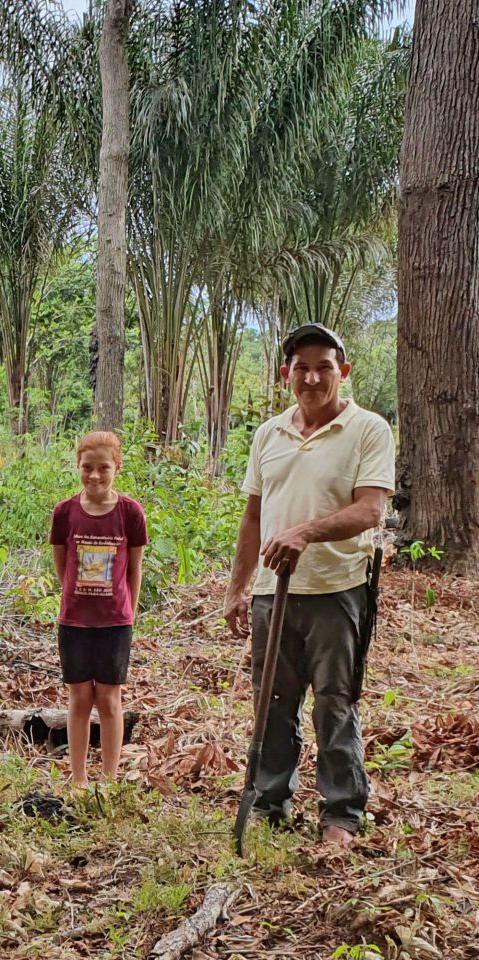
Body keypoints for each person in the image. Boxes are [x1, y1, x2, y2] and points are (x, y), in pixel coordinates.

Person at [224, 323, 394, 848]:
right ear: (285, 375)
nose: (313, 376)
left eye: (324, 366)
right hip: (272, 594)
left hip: (337, 589)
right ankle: (269, 802)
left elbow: (370, 508)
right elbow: (254, 516)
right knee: (272, 701)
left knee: (333, 702)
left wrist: (305, 533)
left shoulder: (368, 429)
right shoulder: (268, 434)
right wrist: (237, 587)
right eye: (302, 367)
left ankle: (340, 814)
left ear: (342, 371)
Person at [48, 431, 147, 788]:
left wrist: (128, 612)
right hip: (74, 620)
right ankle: (78, 779)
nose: (94, 475)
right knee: (79, 698)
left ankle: (109, 780)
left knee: (108, 698)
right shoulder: (64, 512)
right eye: (87, 467)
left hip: (114, 622)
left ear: (116, 467)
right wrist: (75, 594)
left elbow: (134, 568)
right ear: (77, 466)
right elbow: (62, 564)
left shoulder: (130, 512)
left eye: (103, 467)